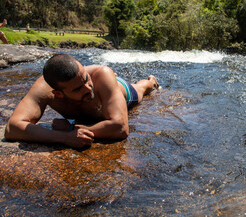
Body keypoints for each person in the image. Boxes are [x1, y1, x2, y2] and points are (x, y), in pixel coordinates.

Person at [4, 54, 160, 148]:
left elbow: (120, 128)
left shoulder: (100, 74)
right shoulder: (44, 90)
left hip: (120, 89)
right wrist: (65, 138)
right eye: (78, 89)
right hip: (100, 97)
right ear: (58, 93)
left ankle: (151, 81)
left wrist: (71, 128)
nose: (88, 89)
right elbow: (12, 128)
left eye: (86, 78)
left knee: (141, 89)